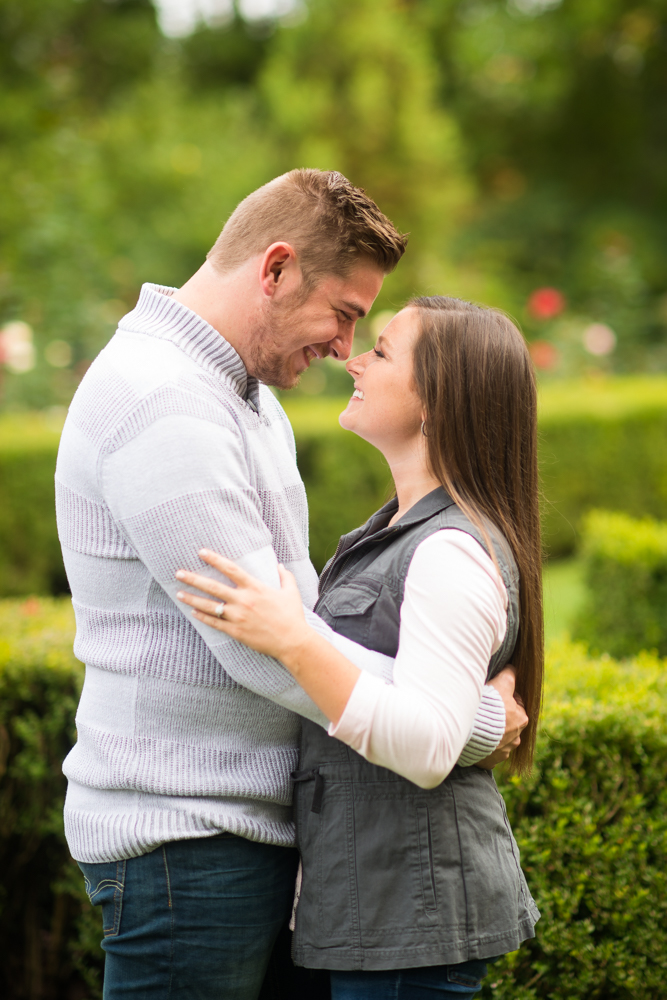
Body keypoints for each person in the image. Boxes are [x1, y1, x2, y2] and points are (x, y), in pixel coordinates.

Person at [55, 169, 526, 1000]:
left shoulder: (245, 398)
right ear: (273, 269)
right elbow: (264, 648)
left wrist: (437, 711)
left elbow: (292, 619)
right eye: (346, 314)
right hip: (187, 841)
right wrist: (467, 716)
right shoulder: (164, 402)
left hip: (244, 835)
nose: (347, 348)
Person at [174, 296, 543, 999]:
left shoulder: (447, 552)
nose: (353, 359)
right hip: (376, 910)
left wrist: (291, 640)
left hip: (410, 920)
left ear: (437, 400)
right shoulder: (402, 531)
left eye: (380, 351)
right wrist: (483, 718)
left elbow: (426, 747)